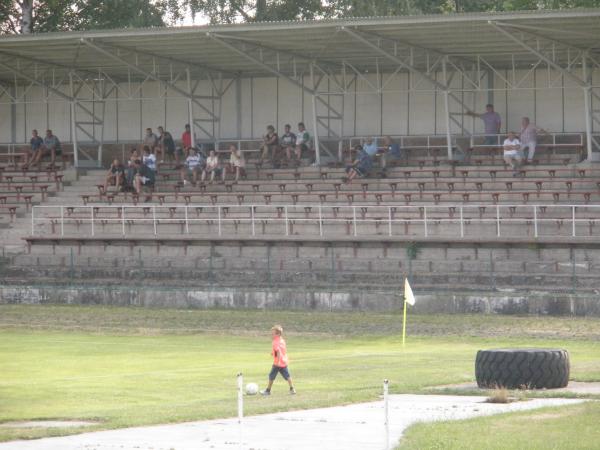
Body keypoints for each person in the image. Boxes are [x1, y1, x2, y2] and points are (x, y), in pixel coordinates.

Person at [260, 325, 296, 396]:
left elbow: (278, 351)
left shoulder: (275, 342)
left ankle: (268, 391)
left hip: (277, 363)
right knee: (287, 376)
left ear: (278, 334)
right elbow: (282, 350)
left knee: (271, 376)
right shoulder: (282, 340)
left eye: (273, 334)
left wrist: (278, 361)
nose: (271, 335)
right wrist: (273, 353)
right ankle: (292, 389)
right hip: (284, 362)